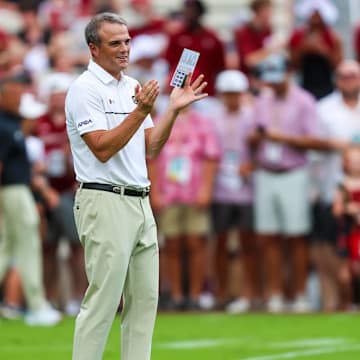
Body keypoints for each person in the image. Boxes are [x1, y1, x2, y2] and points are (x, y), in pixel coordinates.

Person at [65, 12, 208, 360]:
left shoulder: (131, 87)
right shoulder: (84, 89)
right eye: (115, 43)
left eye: (127, 41)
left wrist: (172, 109)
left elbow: (151, 148)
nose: (125, 48)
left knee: (145, 302)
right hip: (105, 199)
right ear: (93, 49)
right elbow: (101, 148)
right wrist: (141, 112)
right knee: (103, 301)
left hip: (139, 200)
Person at [249, 53, 335, 313]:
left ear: (288, 73)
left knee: (296, 236)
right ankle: (275, 293)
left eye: (278, 78)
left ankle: (299, 294)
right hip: (266, 171)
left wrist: (283, 138)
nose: (273, 84)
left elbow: (316, 141)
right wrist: (257, 137)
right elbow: (253, 136)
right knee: (268, 236)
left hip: (293, 172)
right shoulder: (261, 100)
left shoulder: (304, 101)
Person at [0, 71, 62, 326]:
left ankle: (37, 305)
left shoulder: (11, 123)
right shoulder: (3, 126)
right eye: (15, 94)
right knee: (28, 245)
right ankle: (37, 305)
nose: (19, 99)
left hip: (17, 189)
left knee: (7, 249)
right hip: (12, 190)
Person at [149, 104, 220, 311]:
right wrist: (155, 192)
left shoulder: (203, 122)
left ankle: (196, 294)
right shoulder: (161, 119)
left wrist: (206, 189)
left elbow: (211, 157)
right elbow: (151, 157)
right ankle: (177, 294)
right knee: (171, 243)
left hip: (194, 189)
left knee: (195, 242)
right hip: (168, 191)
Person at [311, 59, 360, 310]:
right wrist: (332, 145)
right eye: (343, 75)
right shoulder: (324, 109)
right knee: (334, 248)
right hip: (335, 187)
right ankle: (337, 300)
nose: (348, 79)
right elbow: (314, 149)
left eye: (353, 75)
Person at [209, 70, 260, 312]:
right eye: (228, 94)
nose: (232, 99)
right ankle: (222, 292)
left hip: (246, 189)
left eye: (235, 94)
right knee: (219, 242)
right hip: (220, 188)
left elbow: (261, 150)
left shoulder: (252, 118)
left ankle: (248, 293)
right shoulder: (213, 119)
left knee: (247, 243)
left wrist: (252, 164)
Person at [163, 0, 225, 97]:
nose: (189, 14)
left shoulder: (213, 38)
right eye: (187, 11)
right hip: (179, 91)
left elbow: (220, 67)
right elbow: (169, 64)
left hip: (206, 92)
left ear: (200, 12)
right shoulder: (176, 37)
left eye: (193, 11)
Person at [288, 0, 342, 100]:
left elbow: (338, 66)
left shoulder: (333, 38)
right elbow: (292, 65)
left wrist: (323, 51)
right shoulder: (298, 37)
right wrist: (304, 49)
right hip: (305, 85)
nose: (315, 17)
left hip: (327, 87)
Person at [333, 145, 360, 310]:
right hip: (347, 232)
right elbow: (336, 210)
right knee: (345, 271)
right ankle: (348, 302)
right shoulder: (342, 186)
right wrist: (348, 208)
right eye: (353, 161)